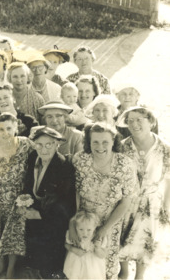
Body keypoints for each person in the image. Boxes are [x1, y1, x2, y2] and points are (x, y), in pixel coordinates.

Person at [72, 122, 137, 279]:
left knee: (107, 264)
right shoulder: (80, 159)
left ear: (113, 141)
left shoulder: (125, 164)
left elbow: (126, 201)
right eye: (95, 142)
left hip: (111, 221)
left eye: (105, 142)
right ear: (89, 142)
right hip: (84, 221)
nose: (100, 146)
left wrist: (105, 228)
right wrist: (75, 221)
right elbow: (75, 192)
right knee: (84, 263)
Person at [0, 112, 33, 279]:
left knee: (14, 234)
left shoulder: (25, 145)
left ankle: (10, 267)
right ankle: (1, 264)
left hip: (18, 198)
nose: (5, 133)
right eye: (1, 129)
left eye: (9, 128)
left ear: (16, 128)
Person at [118, 107, 170, 280]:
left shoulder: (164, 148)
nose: (134, 124)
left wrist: (166, 206)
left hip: (152, 201)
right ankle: (123, 272)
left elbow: (169, 179)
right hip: (126, 200)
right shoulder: (122, 146)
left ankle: (139, 276)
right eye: (130, 120)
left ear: (151, 122)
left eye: (139, 119)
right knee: (123, 237)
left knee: (147, 241)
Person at [22, 126, 76, 278]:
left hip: (52, 219)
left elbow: (66, 202)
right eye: (39, 144)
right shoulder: (33, 157)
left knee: (50, 261)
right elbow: (28, 182)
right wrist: (23, 200)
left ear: (57, 145)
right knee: (34, 253)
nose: (43, 149)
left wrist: (40, 215)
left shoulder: (65, 166)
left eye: (49, 145)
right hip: (33, 214)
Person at [63, 210, 108, 280]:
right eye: (81, 229)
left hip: (93, 267)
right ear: (75, 227)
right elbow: (66, 245)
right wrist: (73, 249)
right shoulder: (74, 235)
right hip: (76, 263)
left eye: (89, 230)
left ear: (95, 227)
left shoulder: (98, 237)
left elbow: (103, 255)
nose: (85, 233)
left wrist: (98, 248)